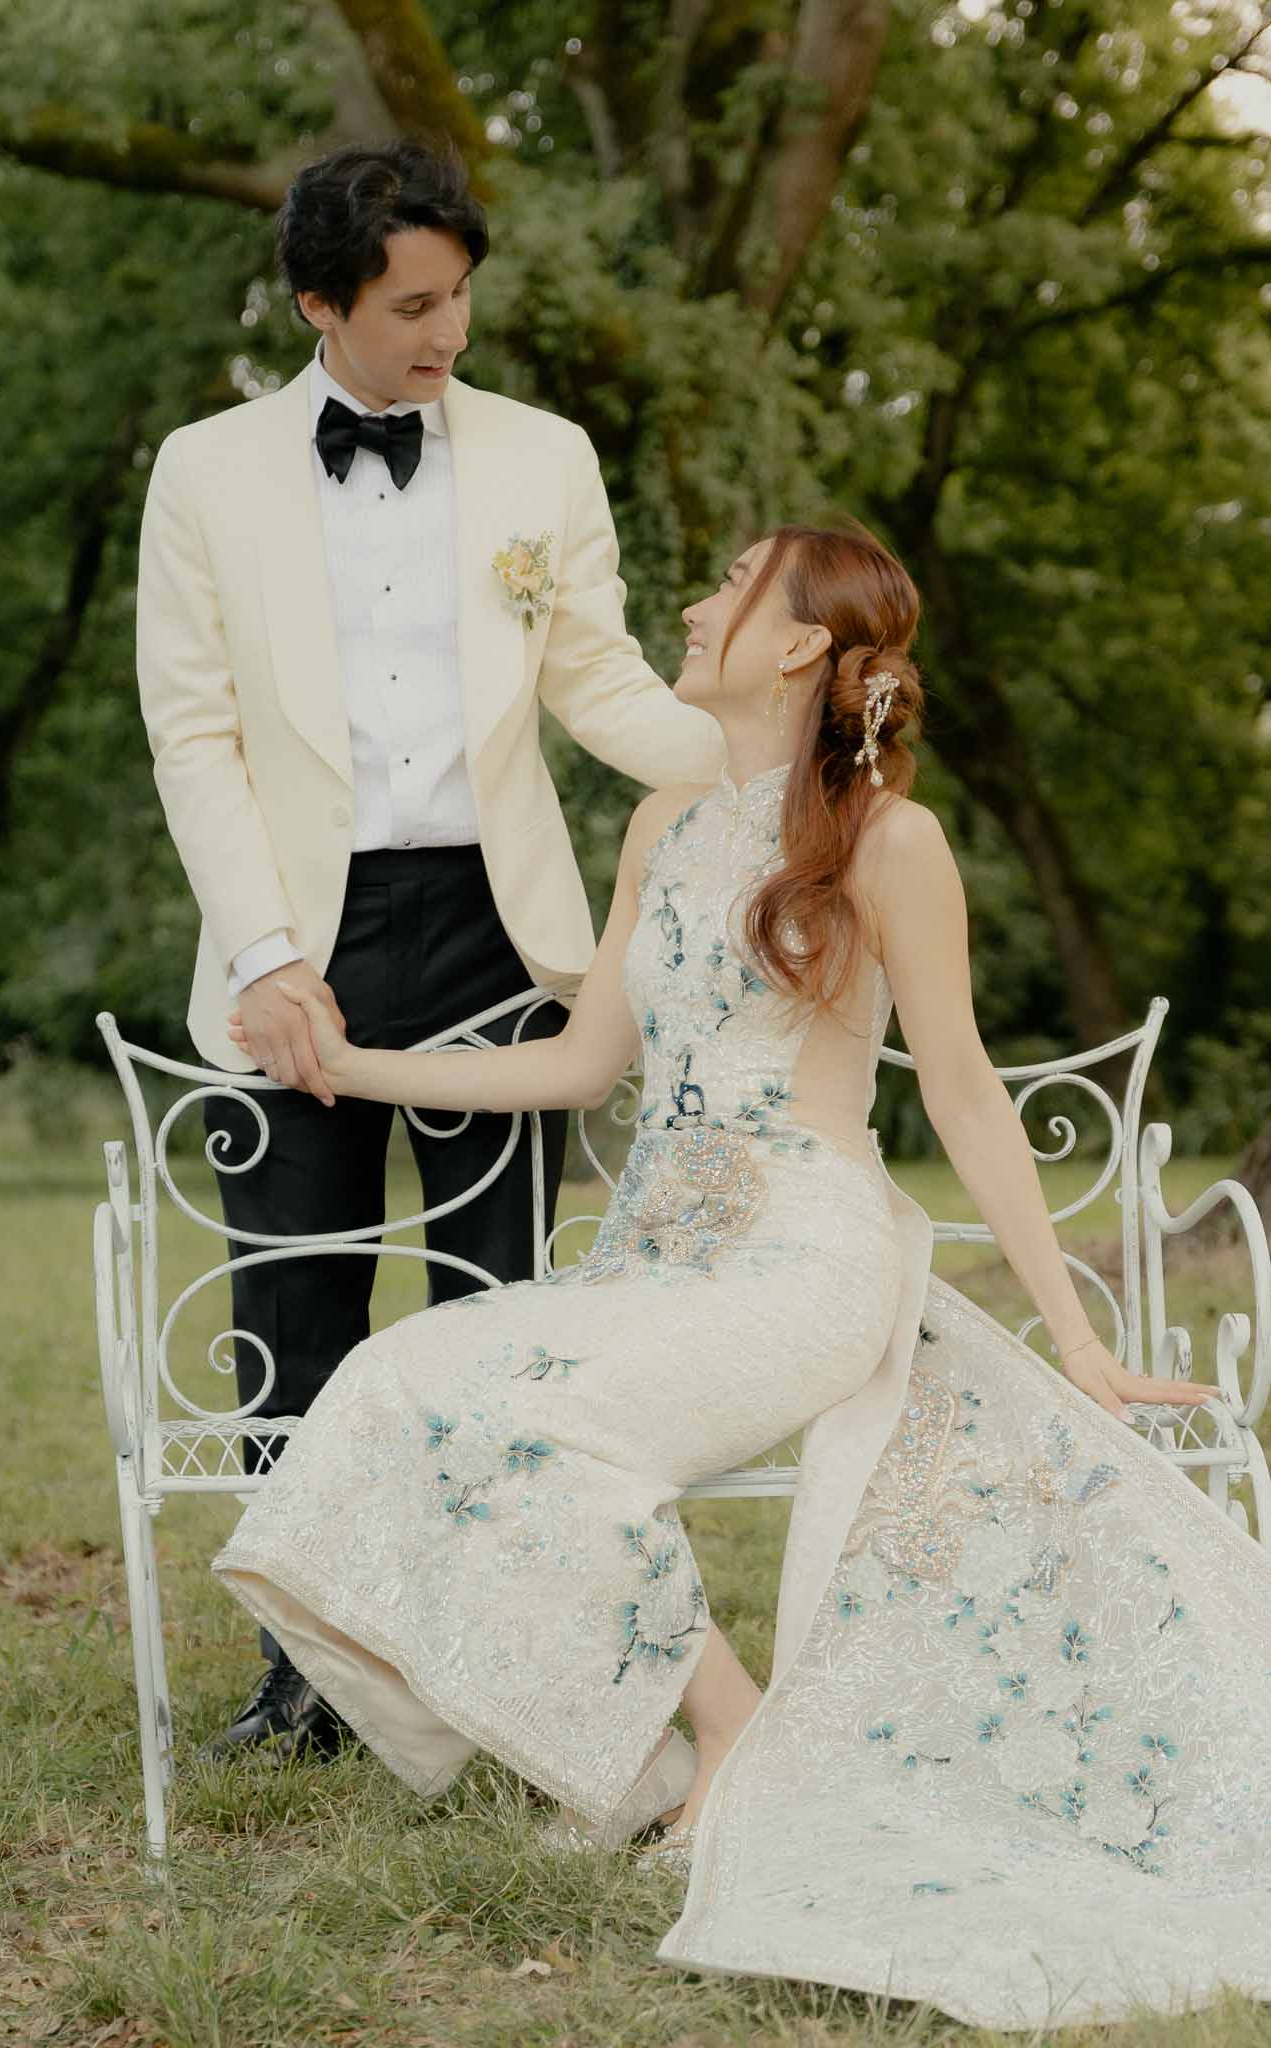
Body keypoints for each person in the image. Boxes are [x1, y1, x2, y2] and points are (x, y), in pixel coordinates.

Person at [212, 521, 1271, 2031]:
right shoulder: (664, 824)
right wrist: (352, 1064)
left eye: (727, 585)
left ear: (792, 647)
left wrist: (1073, 1335)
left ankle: (728, 1739)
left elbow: (963, 1092)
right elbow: (585, 1058)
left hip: (800, 1258)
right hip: (655, 1260)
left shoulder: (890, 840)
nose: (695, 602)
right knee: (402, 1375)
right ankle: (693, 1743)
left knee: (536, 1429)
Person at [135, 138, 724, 1761]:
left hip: (495, 936)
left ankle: (497, 1656)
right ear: (321, 303)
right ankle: (311, 1671)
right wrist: (262, 954)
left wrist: (751, 765)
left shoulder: (545, 457)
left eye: (458, 295)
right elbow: (193, 736)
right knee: (296, 1307)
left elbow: (593, 680)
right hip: (296, 940)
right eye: (409, 304)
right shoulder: (204, 469)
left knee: (497, 1307)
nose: (443, 331)